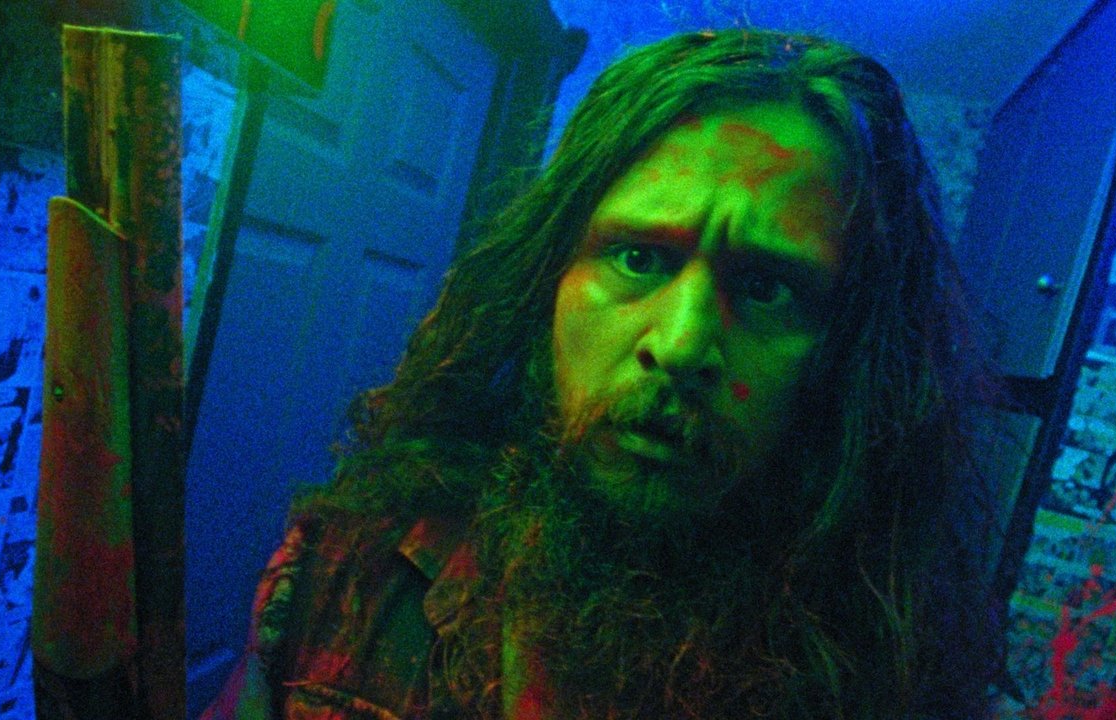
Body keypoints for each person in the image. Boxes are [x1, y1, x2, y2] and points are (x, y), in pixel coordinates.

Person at [205, 27, 1004, 720]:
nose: (682, 345)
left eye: (766, 288)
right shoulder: (349, 575)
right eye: (638, 258)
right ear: (547, 279)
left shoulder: (889, 680)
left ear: (852, 355)